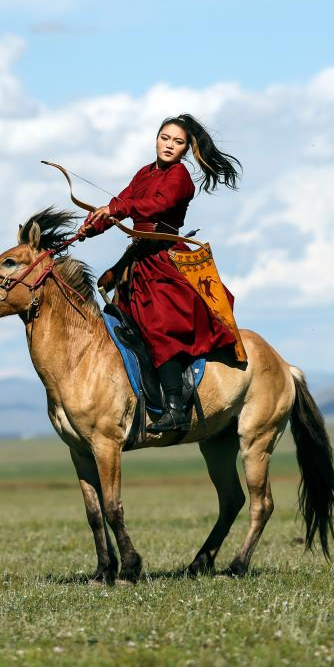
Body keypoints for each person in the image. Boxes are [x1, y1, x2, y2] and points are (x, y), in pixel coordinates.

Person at [78, 114, 242, 432]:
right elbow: (122, 203)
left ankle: (175, 409)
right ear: (156, 139)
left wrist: (116, 210)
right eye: (165, 138)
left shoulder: (179, 176)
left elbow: (156, 204)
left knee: (160, 327)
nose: (169, 145)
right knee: (120, 325)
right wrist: (92, 226)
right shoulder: (144, 172)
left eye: (177, 142)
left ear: (185, 149)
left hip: (164, 261)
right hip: (139, 261)